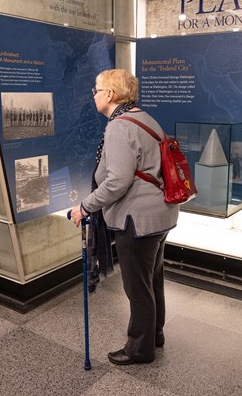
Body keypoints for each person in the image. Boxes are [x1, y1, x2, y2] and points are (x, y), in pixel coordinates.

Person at [70, 69, 179, 366]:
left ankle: (140, 349)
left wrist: (85, 207)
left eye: (96, 89)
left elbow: (117, 181)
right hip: (159, 216)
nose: (93, 94)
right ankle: (154, 334)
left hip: (137, 220)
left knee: (137, 286)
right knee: (152, 279)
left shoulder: (119, 126)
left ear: (110, 94)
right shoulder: (145, 118)